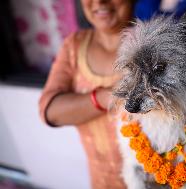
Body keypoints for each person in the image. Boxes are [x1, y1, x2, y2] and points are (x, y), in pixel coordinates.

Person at [39, 0, 135, 188]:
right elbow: (50, 111)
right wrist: (107, 97)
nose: (99, 2)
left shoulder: (159, 39)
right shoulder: (74, 46)